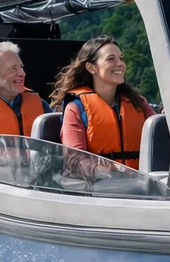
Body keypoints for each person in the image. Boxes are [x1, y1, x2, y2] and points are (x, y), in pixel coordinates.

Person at [50, 36, 156, 168]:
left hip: (143, 184)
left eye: (121, 58)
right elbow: (74, 160)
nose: (120, 64)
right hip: (98, 186)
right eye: (111, 59)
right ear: (91, 67)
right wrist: (103, 171)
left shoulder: (138, 102)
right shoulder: (76, 108)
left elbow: (162, 138)